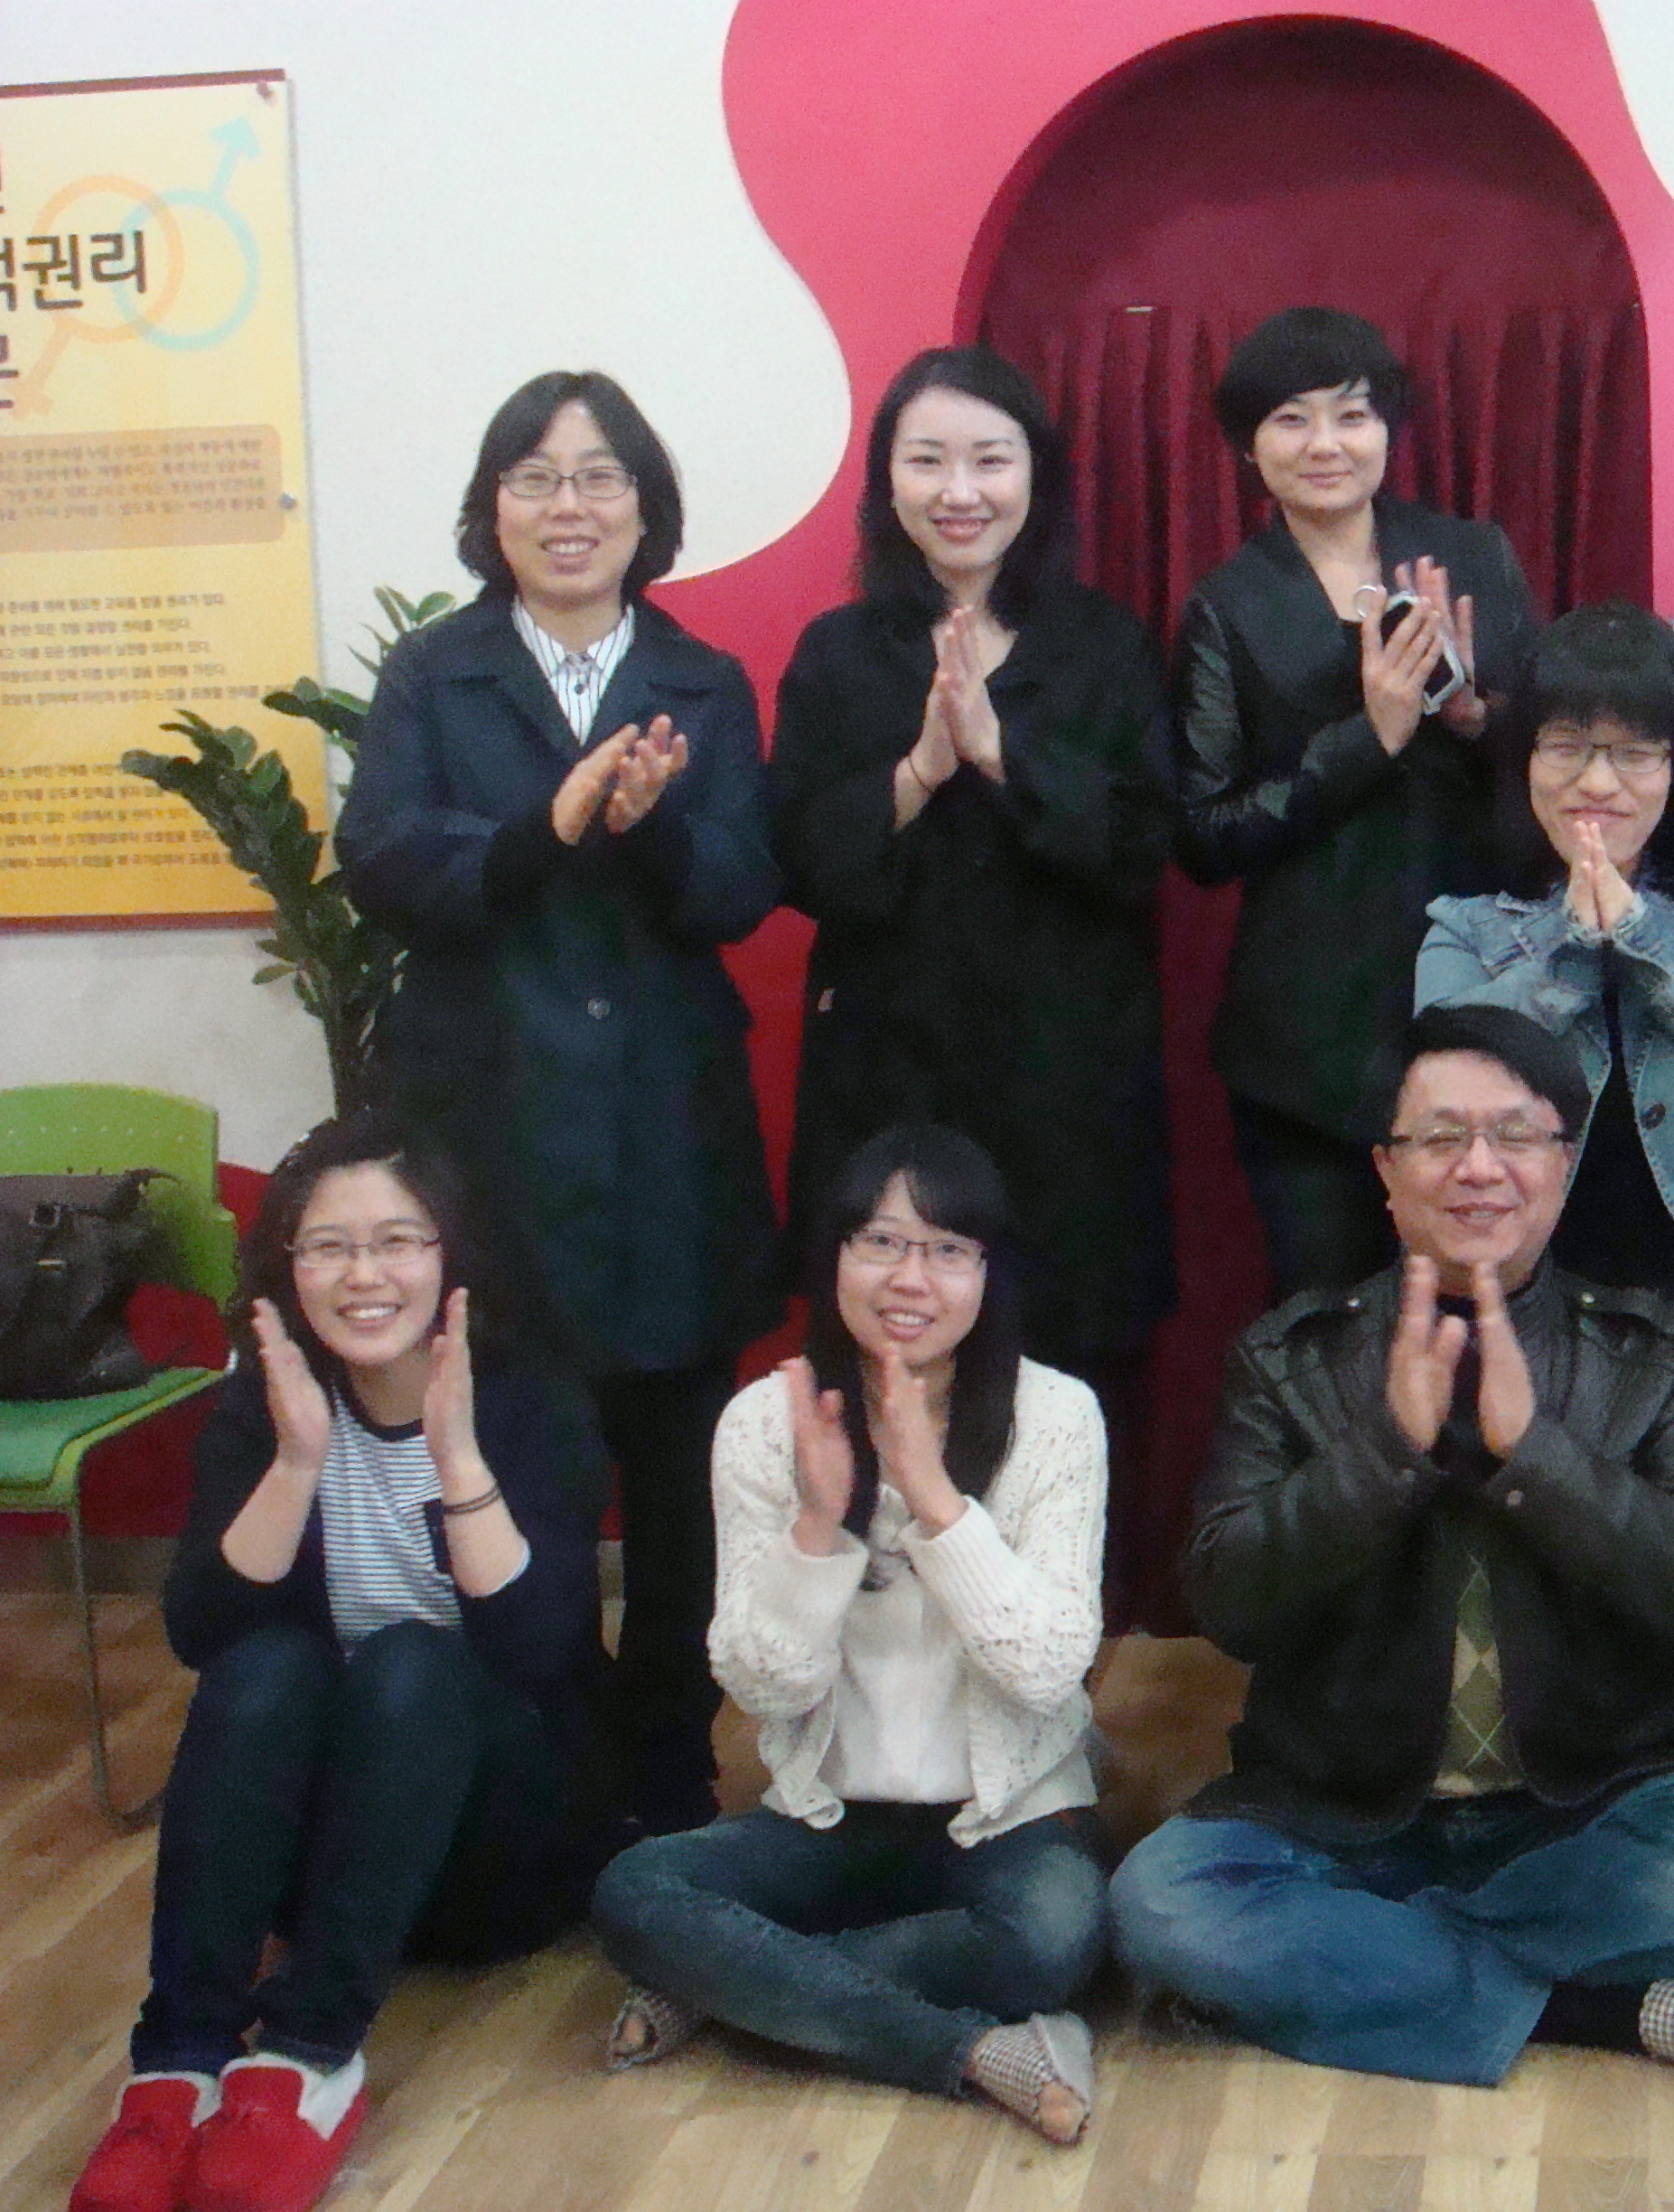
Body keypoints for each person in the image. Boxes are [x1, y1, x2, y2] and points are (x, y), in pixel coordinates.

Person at [1108, 1008, 1674, 2093]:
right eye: (1440, 1138)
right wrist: (1384, 1451)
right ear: (1387, 1175)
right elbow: (1229, 1603)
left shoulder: (1658, 1354)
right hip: (1342, 1819)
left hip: (1584, 1811)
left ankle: (1365, 1970)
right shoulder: (1288, 1358)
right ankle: (1594, 2009)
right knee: (1161, 1901)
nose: (1479, 1168)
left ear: (1563, 1166)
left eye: (1515, 1135)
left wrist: (1540, 1457)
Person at [339, 369, 782, 1833]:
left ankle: (665, 1763)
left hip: (667, 1136)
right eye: (534, 476)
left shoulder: (703, 681)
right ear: (493, 509)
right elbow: (387, 864)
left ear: (646, 510)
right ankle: (542, 1770)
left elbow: (741, 888)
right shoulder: (435, 673)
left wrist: (646, 834)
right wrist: (550, 825)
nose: (567, 505)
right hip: (492, 1130)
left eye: (599, 477)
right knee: (518, 1462)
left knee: (676, 1479)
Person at [70, 1114, 607, 2212]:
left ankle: (308, 2056)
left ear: (450, 1257)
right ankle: (179, 2060)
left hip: (494, 1854)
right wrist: (298, 1460)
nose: (365, 1275)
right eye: (329, 1246)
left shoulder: (527, 1400)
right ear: (289, 1266)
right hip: (322, 1871)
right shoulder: (271, 1400)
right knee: (266, 1665)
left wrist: (457, 1460)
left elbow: (541, 1659)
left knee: (414, 1660)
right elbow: (201, 1638)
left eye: (397, 1241)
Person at [590, 1124, 1109, 2145]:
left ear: (988, 1272)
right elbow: (764, 1687)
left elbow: (1049, 1670)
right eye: (880, 1243)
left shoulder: (1057, 1417)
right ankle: (961, 2052)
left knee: (1055, 1939)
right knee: (635, 1890)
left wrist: (933, 1499)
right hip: (827, 1820)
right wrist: (818, 1529)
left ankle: (732, 1989)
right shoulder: (763, 1421)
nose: (911, 1278)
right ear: (834, 1257)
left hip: (1009, 1819)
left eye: (948, 1249)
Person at [766, 343, 1171, 1610]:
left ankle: (1061, 1650)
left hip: (1068, 1081)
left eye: (991, 460)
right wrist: (919, 772)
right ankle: (876, 1646)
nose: (960, 490)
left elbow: (1143, 849)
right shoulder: (839, 654)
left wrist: (1003, 756)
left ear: (1035, 477)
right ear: (886, 480)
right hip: (891, 1077)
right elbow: (798, 864)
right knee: (885, 1353)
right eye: (928, 460)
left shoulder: (1102, 644)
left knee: (1073, 1361)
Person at [1415, 602, 1674, 1771]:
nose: (1598, 780)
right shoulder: (1468, 921)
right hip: (1537, 1290)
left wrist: (1644, 933)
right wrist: (1568, 938)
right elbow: (1458, 1055)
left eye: (1635, 751)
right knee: (1557, 1519)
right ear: (1524, 761)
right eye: (1568, 746)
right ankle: (1579, 1750)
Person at [1172, 305, 1539, 1297]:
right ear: (1249, 447)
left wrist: (1472, 717)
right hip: (1308, 1041)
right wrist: (1367, 739)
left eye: (1352, 414)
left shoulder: (1473, 557)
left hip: (1480, 1002)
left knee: (1485, 1313)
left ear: (1389, 428)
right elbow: (1203, 833)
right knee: (1328, 1320)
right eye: (1291, 420)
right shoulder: (1228, 604)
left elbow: (1557, 762)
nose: (1325, 444)